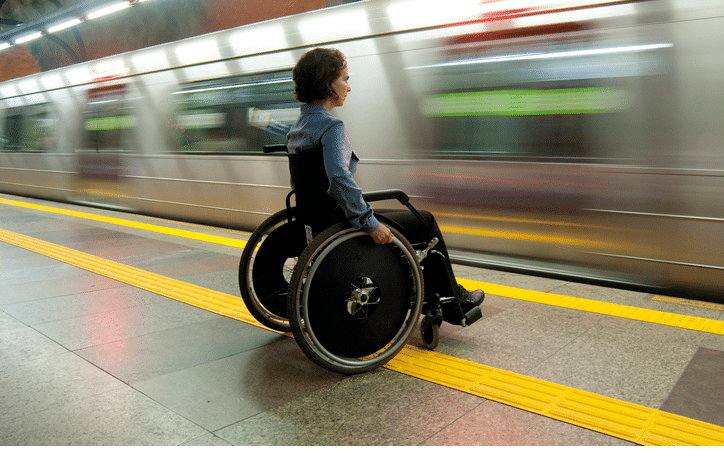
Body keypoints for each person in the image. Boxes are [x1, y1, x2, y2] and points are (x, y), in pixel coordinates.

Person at [286, 48, 484, 311]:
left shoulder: (297, 129)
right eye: (344, 79)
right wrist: (369, 222)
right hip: (341, 218)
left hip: (316, 218)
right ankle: (452, 299)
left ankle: (427, 290)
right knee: (424, 222)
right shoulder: (332, 127)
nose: (349, 86)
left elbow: (305, 184)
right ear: (327, 85)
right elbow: (338, 179)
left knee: (408, 221)